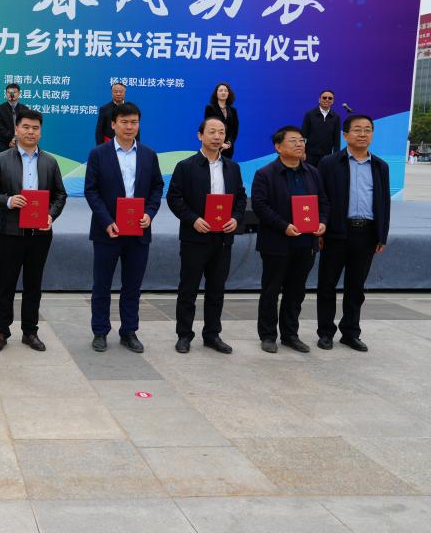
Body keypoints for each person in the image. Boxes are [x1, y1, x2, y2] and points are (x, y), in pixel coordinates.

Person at [0, 109, 67, 352]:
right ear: (17, 129)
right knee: (6, 284)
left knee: (33, 285)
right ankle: (1, 332)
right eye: (26, 127)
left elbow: (60, 195)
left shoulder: (50, 162)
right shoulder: (1, 159)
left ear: (40, 132)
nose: (31, 132)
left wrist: (51, 215)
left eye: (35, 128)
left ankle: (30, 332)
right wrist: (8, 201)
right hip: (11, 232)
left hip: (40, 234)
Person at [85, 102, 164, 353]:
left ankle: (129, 331)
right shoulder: (98, 154)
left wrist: (149, 214)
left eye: (134, 122)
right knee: (102, 285)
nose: (129, 127)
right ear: (113, 124)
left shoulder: (149, 155)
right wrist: (107, 221)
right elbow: (91, 191)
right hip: (108, 231)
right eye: (124, 122)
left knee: (132, 286)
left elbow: (157, 187)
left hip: (139, 231)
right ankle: (100, 331)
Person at [166, 118, 247, 354]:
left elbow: (241, 198)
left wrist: (236, 218)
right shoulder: (186, 166)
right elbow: (174, 198)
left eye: (221, 132)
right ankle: (184, 335)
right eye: (212, 132)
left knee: (216, 289)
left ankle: (212, 334)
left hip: (222, 238)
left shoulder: (232, 167)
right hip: (195, 237)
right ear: (200, 135)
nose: (217, 136)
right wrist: (193, 219)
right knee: (188, 288)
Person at [251, 125, 328, 354]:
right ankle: (268, 335)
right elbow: (260, 206)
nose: (299, 144)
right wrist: (283, 226)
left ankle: (290, 334)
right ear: (278, 147)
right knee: (271, 290)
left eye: (301, 140)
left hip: (306, 243)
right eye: (293, 140)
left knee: (296, 291)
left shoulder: (312, 173)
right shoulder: (265, 174)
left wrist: (322, 222)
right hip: (277, 242)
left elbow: (323, 201)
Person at [316, 114, 390, 352]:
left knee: (356, 287)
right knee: (327, 285)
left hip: (366, 234)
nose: (363, 134)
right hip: (336, 232)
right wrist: (320, 229)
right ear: (345, 135)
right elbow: (320, 198)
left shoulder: (380, 166)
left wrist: (382, 234)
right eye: (357, 129)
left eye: (368, 130)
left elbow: (384, 202)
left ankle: (350, 332)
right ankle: (325, 333)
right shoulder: (329, 163)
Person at [301, 90, 341, 167]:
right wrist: (302, 152)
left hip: (327, 155)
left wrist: (336, 155)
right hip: (310, 155)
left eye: (330, 98)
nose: (327, 100)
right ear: (319, 99)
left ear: (333, 101)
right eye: (324, 98)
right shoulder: (310, 115)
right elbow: (303, 135)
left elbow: (337, 139)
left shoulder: (336, 117)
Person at [203, 82, 239, 159]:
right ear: (216, 93)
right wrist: (220, 144)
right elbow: (208, 128)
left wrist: (229, 143)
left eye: (226, 91)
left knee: (227, 166)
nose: (223, 93)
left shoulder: (233, 110)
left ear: (228, 94)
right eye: (220, 90)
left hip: (228, 148)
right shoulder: (210, 108)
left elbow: (235, 129)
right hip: (213, 146)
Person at [0, 83, 30, 152]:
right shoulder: (0, 109)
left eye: (14, 92)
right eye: (9, 92)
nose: (11, 94)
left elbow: (26, 126)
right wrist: (11, 139)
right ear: (6, 94)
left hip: (21, 144)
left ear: (19, 94)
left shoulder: (25, 109)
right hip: (5, 144)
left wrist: (17, 139)